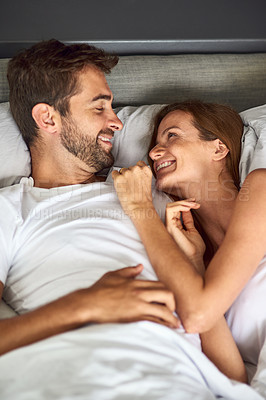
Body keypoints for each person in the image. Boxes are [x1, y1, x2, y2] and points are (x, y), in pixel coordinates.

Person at [0, 40, 246, 387]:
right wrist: (85, 305)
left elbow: (225, 361)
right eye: (99, 108)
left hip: (186, 383)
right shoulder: (9, 209)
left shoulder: (159, 191)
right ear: (47, 118)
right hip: (83, 377)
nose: (116, 121)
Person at [112, 100, 266, 379]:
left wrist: (140, 209)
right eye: (154, 145)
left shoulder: (260, 187)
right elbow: (234, 379)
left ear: (218, 148)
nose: (155, 152)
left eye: (172, 135)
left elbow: (198, 315)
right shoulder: (199, 264)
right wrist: (195, 263)